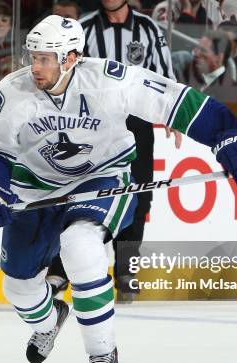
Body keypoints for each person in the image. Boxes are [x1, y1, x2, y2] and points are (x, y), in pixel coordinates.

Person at [0, 15, 237, 363]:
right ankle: (48, 321)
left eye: (46, 58)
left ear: (71, 58)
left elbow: (174, 100)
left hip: (101, 179)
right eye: (33, 56)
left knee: (81, 245)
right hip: (36, 189)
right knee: (18, 287)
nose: (36, 66)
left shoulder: (109, 79)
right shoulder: (12, 91)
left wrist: (226, 135)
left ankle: (102, 354)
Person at [47, 0, 179, 302]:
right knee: (81, 192)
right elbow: (72, 73)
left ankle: (126, 270)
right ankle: (61, 268)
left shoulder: (147, 27)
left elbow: (164, 73)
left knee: (139, 195)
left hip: (138, 122)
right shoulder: (87, 28)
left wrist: (173, 112)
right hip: (95, 122)